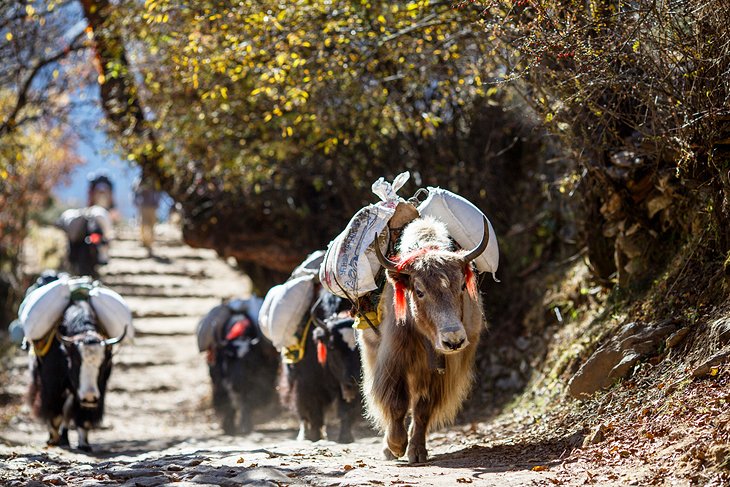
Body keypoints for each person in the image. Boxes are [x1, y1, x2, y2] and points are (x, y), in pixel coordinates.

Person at [133, 177, 161, 254]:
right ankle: (144, 241)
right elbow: (136, 191)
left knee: (151, 224)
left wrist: (157, 202)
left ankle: (150, 242)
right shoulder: (140, 180)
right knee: (144, 224)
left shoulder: (153, 181)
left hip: (152, 206)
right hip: (143, 206)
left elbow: (158, 192)